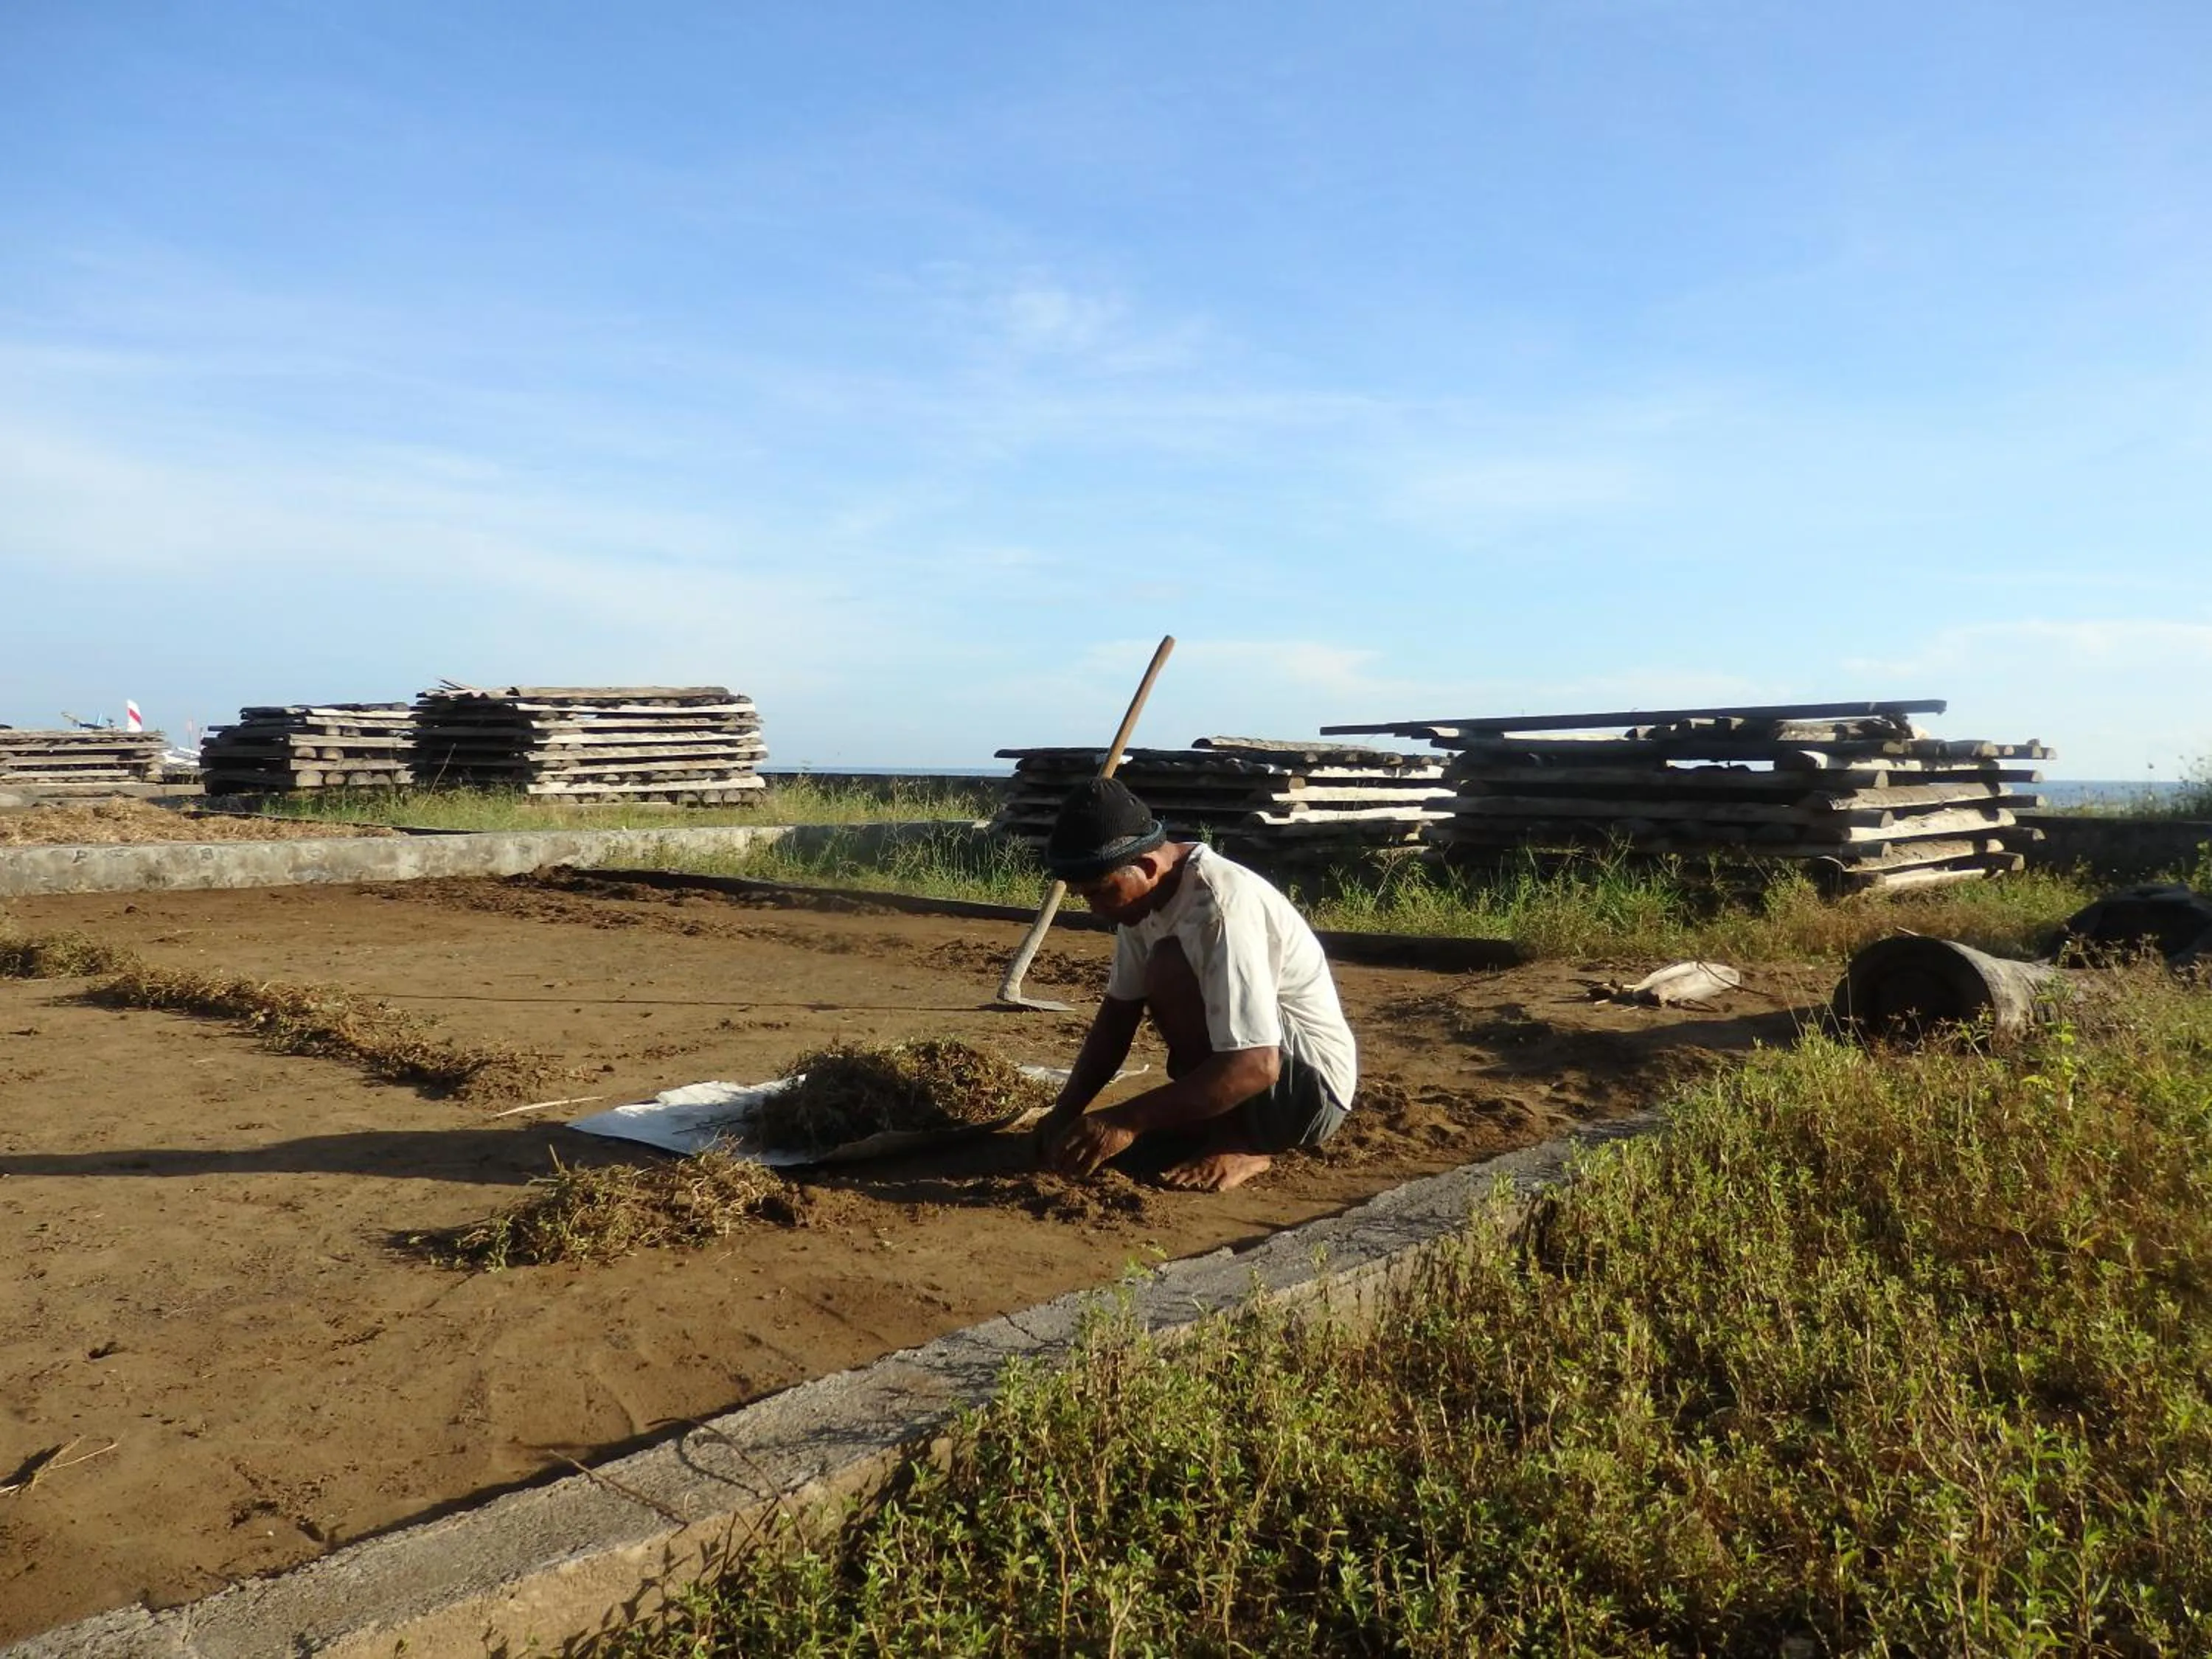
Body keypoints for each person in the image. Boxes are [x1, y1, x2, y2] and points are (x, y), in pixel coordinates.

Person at [1035, 776, 1357, 1192]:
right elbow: (1117, 1016)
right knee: (1162, 966)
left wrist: (1125, 1120)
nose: (1097, 910)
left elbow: (1258, 1064)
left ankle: (1240, 1142)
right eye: (1085, 897)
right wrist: (1066, 1111)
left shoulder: (1218, 906)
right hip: (1260, 1077)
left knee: (1170, 966)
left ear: (1148, 867)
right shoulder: (1139, 902)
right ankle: (1221, 1124)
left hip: (1307, 1094)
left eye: (1101, 893)